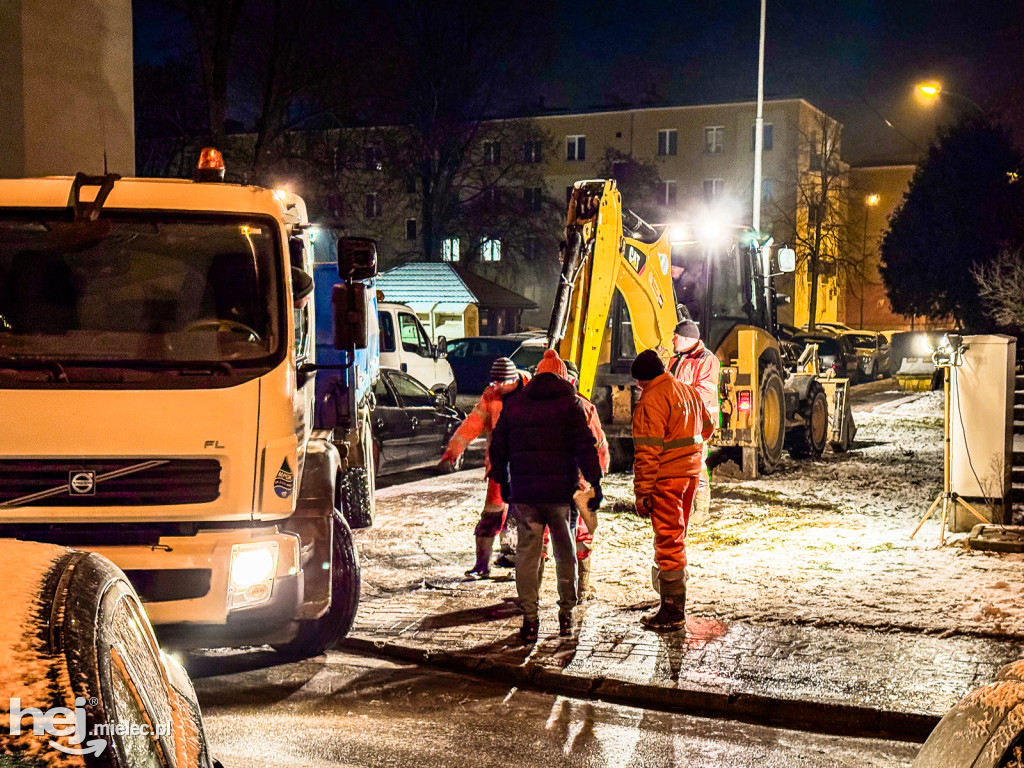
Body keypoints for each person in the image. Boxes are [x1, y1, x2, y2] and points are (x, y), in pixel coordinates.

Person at [489, 350, 603, 643]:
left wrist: (502, 477)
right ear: (562, 377)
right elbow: (586, 446)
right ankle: (566, 615)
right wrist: (596, 482)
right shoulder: (570, 404)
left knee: (527, 555)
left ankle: (530, 619)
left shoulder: (515, 404)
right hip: (559, 495)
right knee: (564, 552)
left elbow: (498, 446)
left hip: (525, 494)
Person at [630, 349, 715, 632]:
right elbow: (708, 426)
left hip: (667, 480)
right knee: (678, 537)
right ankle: (672, 604)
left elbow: (647, 453)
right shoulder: (687, 391)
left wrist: (642, 493)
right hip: (690, 476)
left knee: (669, 542)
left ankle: (672, 611)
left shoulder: (650, 402)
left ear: (642, 380)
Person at [438, 357, 528, 579]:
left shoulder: (531, 393)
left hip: (526, 469)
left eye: (499, 383)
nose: (495, 387)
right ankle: (482, 565)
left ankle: (523, 566)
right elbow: (473, 424)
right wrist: (453, 450)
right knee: (491, 516)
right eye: (493, 383)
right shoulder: (491, 397)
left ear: (512, 380)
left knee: (525, 518)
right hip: (500, 468)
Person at [533, 351, 611, 600]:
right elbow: (598, 445)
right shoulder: (584, 407)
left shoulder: (531, 405)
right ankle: (578, 590)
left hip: (539, 481)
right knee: (580, 533)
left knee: (540, 536)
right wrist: (597, 478)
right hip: (577, 481)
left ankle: (531, 592)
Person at [667, 311, 721, 522]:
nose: (672, 339)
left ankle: (701, 507)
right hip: (680, 420)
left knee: (695, 461)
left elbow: (705, 392)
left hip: (698, 421)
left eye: (676, 336)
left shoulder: (707, 360)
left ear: (688, 339)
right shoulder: (675, 359)